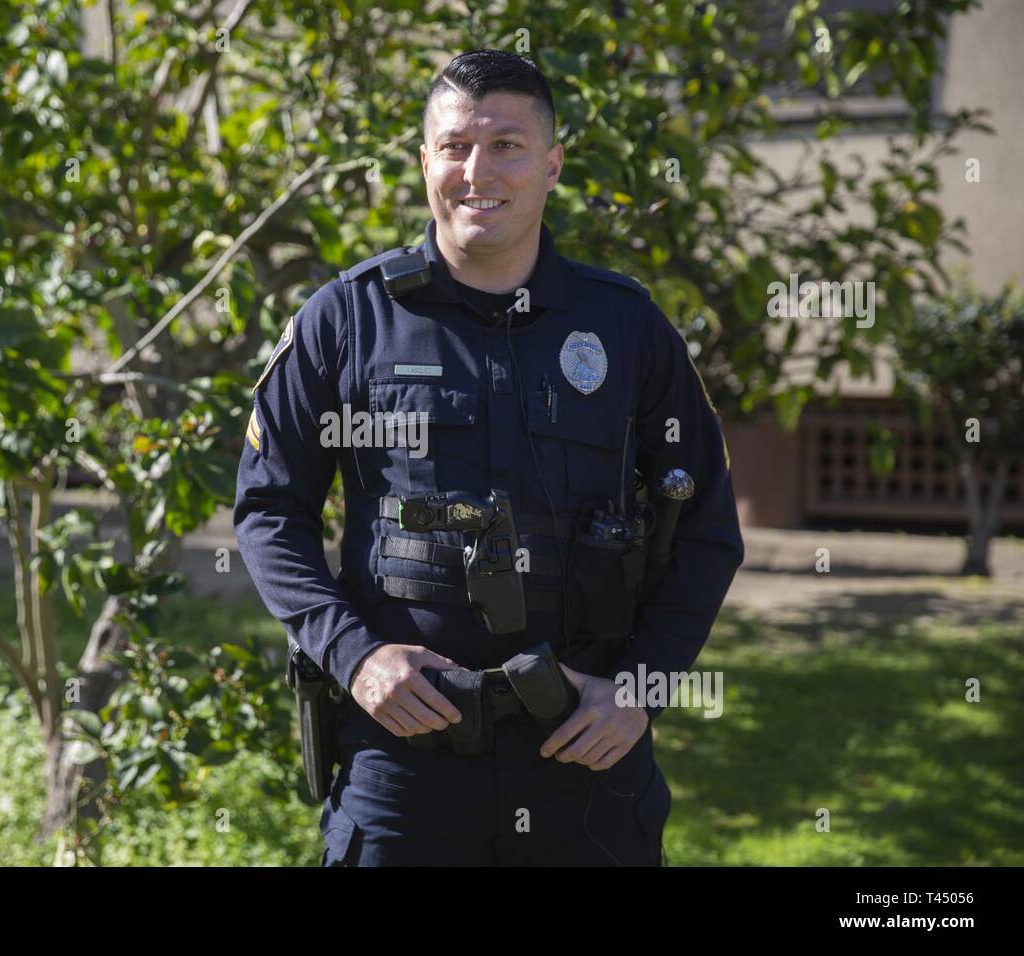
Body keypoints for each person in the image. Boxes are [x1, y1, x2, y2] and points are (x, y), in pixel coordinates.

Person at [233, 49, 744, 866]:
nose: (478, 171)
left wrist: (642, 688)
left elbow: (709, 526)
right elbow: (269, 510)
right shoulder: (345, 321)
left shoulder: (627, 328)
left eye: (506, 145)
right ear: (424, 161)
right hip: (403, 763)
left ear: (552, 165)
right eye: (455, 146)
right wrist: (354, 655)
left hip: (585, 758)